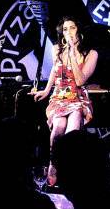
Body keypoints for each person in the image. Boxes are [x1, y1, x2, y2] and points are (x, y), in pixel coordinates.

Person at [30, 15, 98, 183]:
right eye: (65, 29)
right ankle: (53, 164)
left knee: (72, 130)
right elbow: (55, 70)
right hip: (60, 95)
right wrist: (46, 91)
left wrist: (74, 53)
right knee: (58, 127)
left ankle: (70, 171)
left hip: (77, 96)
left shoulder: (91, 53)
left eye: (72, 28)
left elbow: (81, 80)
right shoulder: (56, 49)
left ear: (79, 30)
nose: (68, 32)